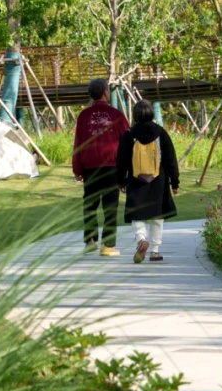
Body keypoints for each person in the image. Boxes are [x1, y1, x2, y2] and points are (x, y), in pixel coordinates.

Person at [115, 100, 180, 264]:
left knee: (137, 213)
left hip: (136, 180)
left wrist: (121, 180)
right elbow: (170, 159)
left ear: (135, 115)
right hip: (159, 180)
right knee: (157, 217)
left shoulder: (129, 134)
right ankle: (155, 251)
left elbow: (121, 160)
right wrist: (175, 182)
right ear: (151, 113)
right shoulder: (161, 133)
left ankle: (141, 240)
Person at [72, 78, 129, 256]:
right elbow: (127, 143)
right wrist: (126, 171)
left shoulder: (84, 116)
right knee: (110, 206)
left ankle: (90, 241)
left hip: (90, 168)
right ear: (105, 92)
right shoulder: (117, 115)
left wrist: (77, 169)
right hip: (112, 167)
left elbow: (78, 143)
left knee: (90, 205)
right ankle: (108, 245)